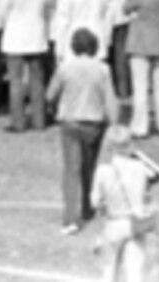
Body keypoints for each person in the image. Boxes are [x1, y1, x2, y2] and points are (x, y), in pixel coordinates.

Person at [50, 25, 119, 237]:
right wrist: (114, 124)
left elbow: (50, 94)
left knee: (71, 171)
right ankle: (89, 207)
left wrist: (54, 108)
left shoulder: (65, 68)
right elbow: (110, 99)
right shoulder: (102, 69)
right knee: (88, 167)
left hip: (70, 122)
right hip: (94, 123)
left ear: (73, 47)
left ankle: (71, 219)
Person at [93, 120, 159, 282]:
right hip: (135, 223)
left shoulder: (103, 171)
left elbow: (95, 202)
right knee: (135, 272)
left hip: (114, 223)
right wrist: (134, 152)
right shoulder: (139, 168)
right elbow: (158, 174)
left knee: (108, 271)